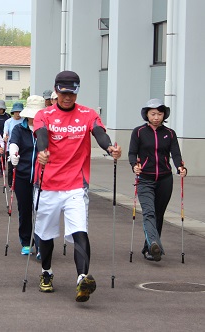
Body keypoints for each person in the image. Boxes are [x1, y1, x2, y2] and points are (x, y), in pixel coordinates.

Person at [33, 70, 121, 302]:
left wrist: (109, 148)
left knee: (79, 230)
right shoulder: (44, 114)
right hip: (48, 184)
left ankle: (82, 278)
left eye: (72, 93)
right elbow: (41, 134)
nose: (68, 98)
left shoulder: (88, 114)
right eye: (63, 93)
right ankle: (46, 272)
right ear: (56, 90)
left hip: (75, 185)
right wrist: (43, 151)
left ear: (77, 92)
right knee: (46, 233)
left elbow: (99, 133)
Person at [128, 99, 187, 262]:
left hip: (165, 179)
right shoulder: (138, 132)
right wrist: (134, 166)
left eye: (159, 114)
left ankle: (150, 248)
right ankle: (154, 243)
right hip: (145, 178)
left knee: (159, 214)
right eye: (153, 114)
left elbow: (175, 154)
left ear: (164, 115)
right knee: (149, 212)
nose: (156, 117)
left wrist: (180, 167)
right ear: (146, 114)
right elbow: (132, 153)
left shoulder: (170, 133)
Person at [8, 95, 45, 256]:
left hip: (43, 177)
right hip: (23, 175)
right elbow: (13, 143)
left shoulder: (46, 130)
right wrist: (13, 154)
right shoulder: (19, 128)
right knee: (24, 209)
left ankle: (41, 245)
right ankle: (26, 242)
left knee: (41, 211)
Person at [3, 102, 24, 187]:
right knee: (11, 167)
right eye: (16, 112)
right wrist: (5, 136)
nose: (18, 114)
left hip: (22, 147)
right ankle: (11, 184)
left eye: (19, 112)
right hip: (11, 147)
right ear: (13, 112)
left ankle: (19, 183)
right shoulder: (8, 121)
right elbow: (5, 132)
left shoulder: (24, 121)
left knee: (21, 166)